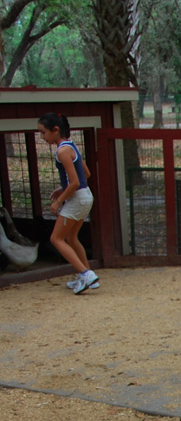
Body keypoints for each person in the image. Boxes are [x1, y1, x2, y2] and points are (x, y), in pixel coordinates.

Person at [37, 113, 98, 295]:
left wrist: (59, 201)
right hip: (85, 196)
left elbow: (75, 182)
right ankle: (87, 277)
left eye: (43, 132)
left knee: (56, 239)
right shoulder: (71, 146)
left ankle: (86, 274)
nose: (42, 137)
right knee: (72, 238)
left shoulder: (62, 151)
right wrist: (62, 188)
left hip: (77, 198)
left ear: (55, 130)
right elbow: (85, 174)